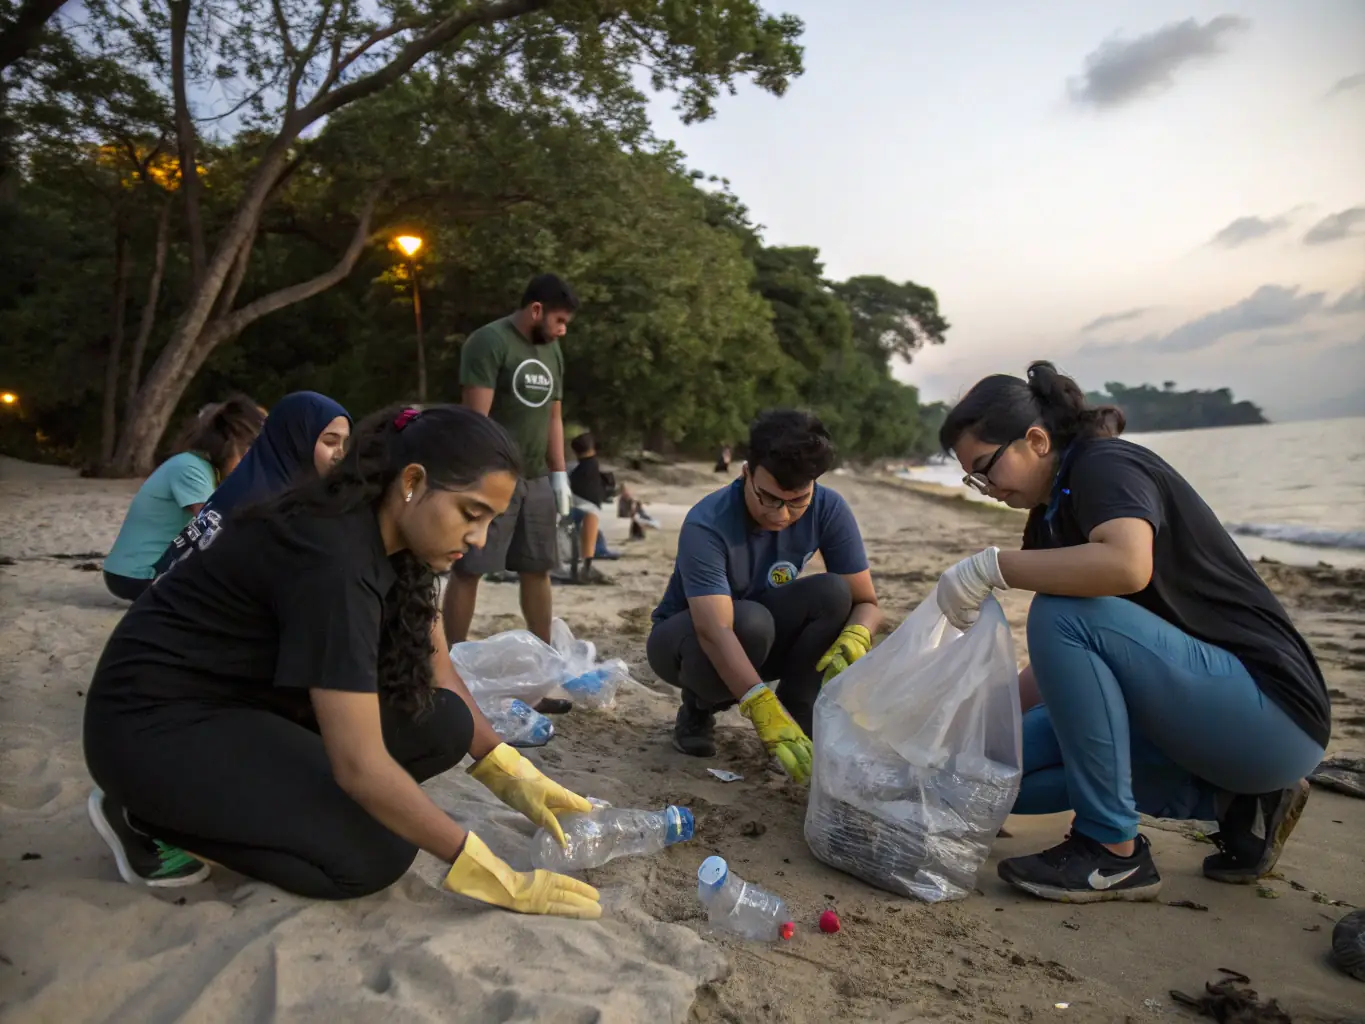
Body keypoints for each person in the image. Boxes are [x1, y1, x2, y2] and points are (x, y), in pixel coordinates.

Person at [83, 404, 601, 918]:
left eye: (491, 519)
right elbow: (359, 767)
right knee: (375, 855)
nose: (480, 538)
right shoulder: (333, 559)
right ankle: (149, 818)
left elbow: (437, 664)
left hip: (248, 699)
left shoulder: (392, 536)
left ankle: (265, 801)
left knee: (443, 721)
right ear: (412, 481)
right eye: (471, 513)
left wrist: (512, 773)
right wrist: (487, 869)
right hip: (152, 726)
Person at [935, 361, 1329, 904]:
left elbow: (1126, 566)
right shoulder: (1050, 519)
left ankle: (1113, 850)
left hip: (1270, 710)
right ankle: (1230, 802)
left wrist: (987, 567)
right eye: (973, 478)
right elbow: (1066, 668)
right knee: (984, 778)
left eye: (986, 468)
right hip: (1195, 721)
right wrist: (973, 721)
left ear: (1035, 439)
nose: (984, 488)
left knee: (1058, 612)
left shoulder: (1104, 465)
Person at [646, 409, 883, 781]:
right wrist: (759, 705)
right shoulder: (706, 523)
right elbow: (715, 629)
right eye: (769, 499)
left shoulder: (827, 507)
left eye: (797, 501)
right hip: (684, 643)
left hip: (759, 631)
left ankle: (798, 710)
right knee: (750, 622)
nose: (783, 515)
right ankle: (698, 706)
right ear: (745, 473)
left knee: (834, 593)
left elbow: (866, 601)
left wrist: (858, 634)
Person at [442, 275, 577, 692]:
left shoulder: (552, 351)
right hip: (495, 477)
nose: (562, 330)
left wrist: (559, 475)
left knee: (538, 569)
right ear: (535, 309)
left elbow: (554, 416)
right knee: (470, 569)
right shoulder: (489, 342)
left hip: (538, 479)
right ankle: (449, 670)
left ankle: (543, 671)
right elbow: (475, 421)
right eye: (558, 320)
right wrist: (478, 480)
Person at [153, 391, 350, 576]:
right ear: (297, 440)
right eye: (330, 442)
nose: (340, 454)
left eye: (345, 444)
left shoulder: (252, 483)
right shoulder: (264, 502)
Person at [103, 396, 265, 601]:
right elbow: (215, 526)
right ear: (232, 444)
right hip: (136, 576)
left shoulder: (199, 467)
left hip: (141, 572)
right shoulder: (190, 469)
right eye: (248, 450)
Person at [567, 431, 612, 583]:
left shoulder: (577, 469)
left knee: (575, 540)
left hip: (574, 503)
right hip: (589, 505)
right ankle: (585, 569)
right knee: (589, 538)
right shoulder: (593, 464)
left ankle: (579, 567)